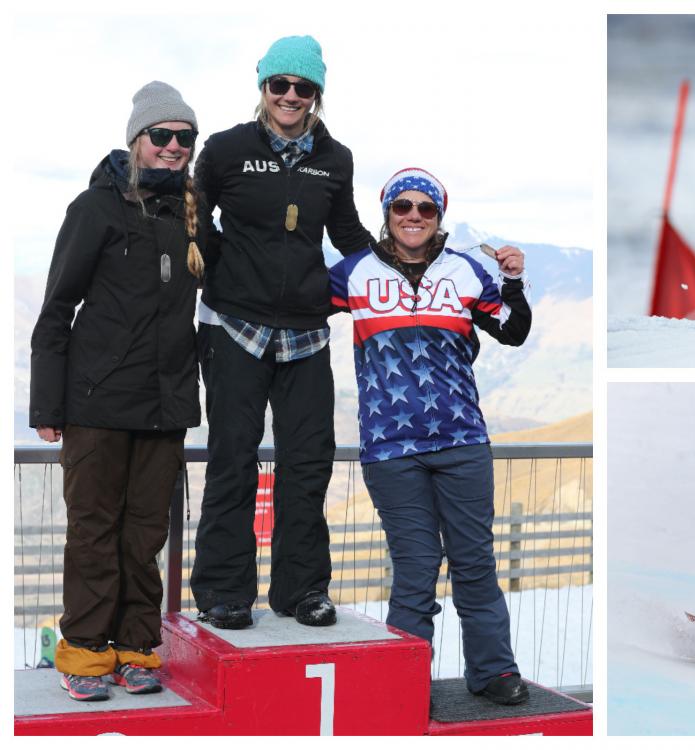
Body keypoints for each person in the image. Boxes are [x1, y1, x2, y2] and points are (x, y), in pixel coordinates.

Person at [189, 35, 374, 630]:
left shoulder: (335, 157)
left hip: (306, 334)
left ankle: (301, 592)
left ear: (317, 93)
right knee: (232, 460)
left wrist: (409, 270)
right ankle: (224, 593)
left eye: (303, 87)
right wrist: (222, 268)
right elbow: (193, 217)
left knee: (308, 464)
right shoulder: (223, 150)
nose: (290, 96)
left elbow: (346, 232)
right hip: (232, 329)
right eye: (280, 85)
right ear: (263, 87)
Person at [329, 167, 533, 704]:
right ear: (387, 215)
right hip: (390, 452)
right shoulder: (354, 273)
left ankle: (494, 673)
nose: (414, 216)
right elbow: (290, 309)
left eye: (426, 208)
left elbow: (512, 331)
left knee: (475, 564)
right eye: (403, 208)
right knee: (415, 571)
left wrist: (512, 279)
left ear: (439, 217)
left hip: (463, 442)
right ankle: (405, 682)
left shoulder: (465, 271)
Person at [29, 82, 205, 700]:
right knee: (95, 532)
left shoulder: (192, 212)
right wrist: (48, 406)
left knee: (145, 533)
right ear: (137, 139)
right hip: (95, 403)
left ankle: (136, 649)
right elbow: (56, 309)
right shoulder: (95, 208)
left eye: (186, 137)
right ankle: (83, 654)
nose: (174, 146)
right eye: (163, 135)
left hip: (164, 406)